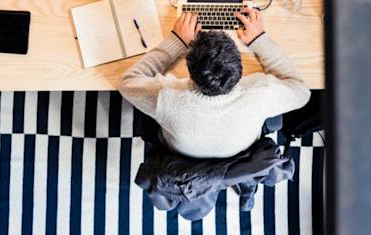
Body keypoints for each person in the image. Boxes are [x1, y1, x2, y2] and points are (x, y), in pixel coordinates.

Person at [118, 8, 311, 158]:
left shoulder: (166, 96)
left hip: (181, 156)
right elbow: (301, 91)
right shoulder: (260, 93)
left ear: (190, 74)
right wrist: (259, 40)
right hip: (240, 154)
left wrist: (177, 41)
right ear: (239, 69)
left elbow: (127, 81)